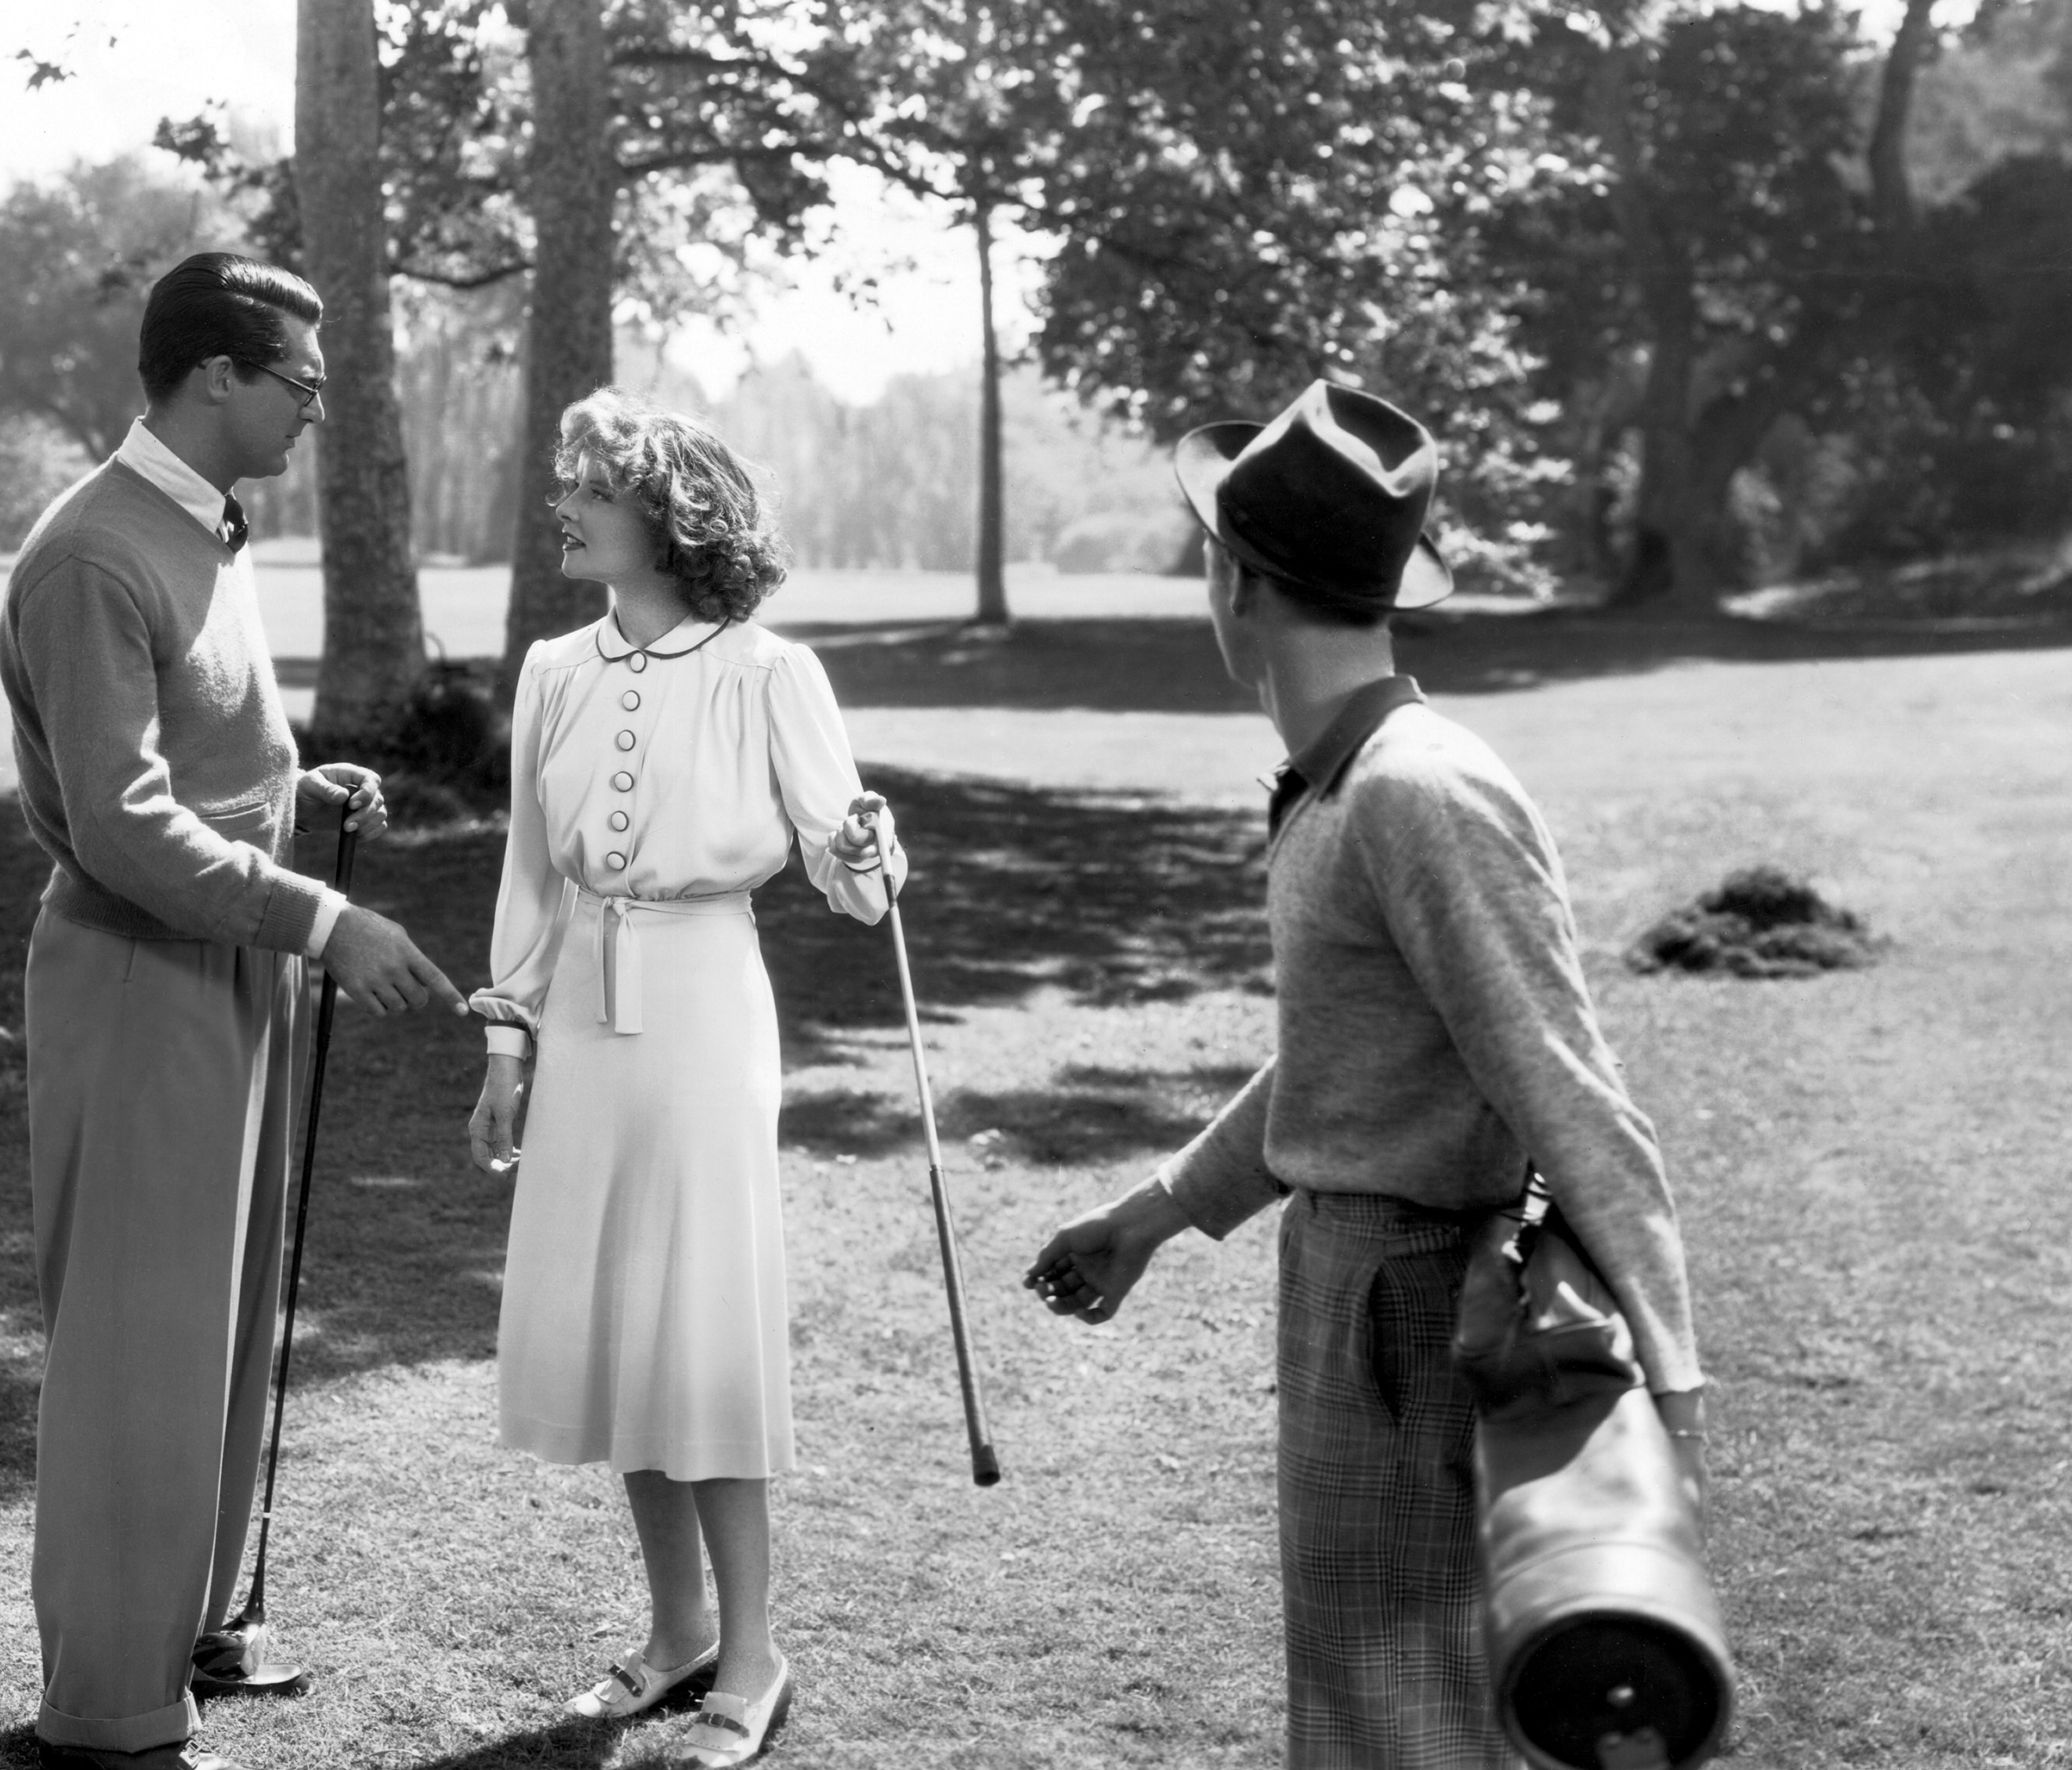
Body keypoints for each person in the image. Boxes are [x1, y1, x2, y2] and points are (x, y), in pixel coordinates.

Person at [1023, 381, 1706, 1770]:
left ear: (1236, 581)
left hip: (1411, 1306)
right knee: (1363, 1705)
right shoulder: (1346, 782)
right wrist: (1153, 1215)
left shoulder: (1417, 795)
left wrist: (1675, 1390)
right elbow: (1351, 1058)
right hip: (1352, 1287)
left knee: (1406, 1725)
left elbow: (1565, 1084)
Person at [0, 251, 465, 1770]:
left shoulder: (207, 528)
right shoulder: (94, 553)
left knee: (218, 1320)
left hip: (221, 963)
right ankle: (111, 1710)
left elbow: (190, 761)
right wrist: (325, 916)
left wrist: (290, 791)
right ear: (214, 375)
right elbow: (123, 823)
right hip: (137, 973)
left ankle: (182, 1632)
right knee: (142, 1344)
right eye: (302, 386)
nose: (317, 414)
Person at [465, 388, 900, 1770]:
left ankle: (754, 1655)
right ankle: (674, 1636)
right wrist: (505, 1041)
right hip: (583, 1015)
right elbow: (530, 870)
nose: (570, 509)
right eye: (572, 486)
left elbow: (852, 884)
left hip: (709, 1003)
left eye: (595, 488)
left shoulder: (772, 673)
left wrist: (870, 847)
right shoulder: (550, 669)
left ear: (670, 512)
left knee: (697, 1318)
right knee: (617, 1325)